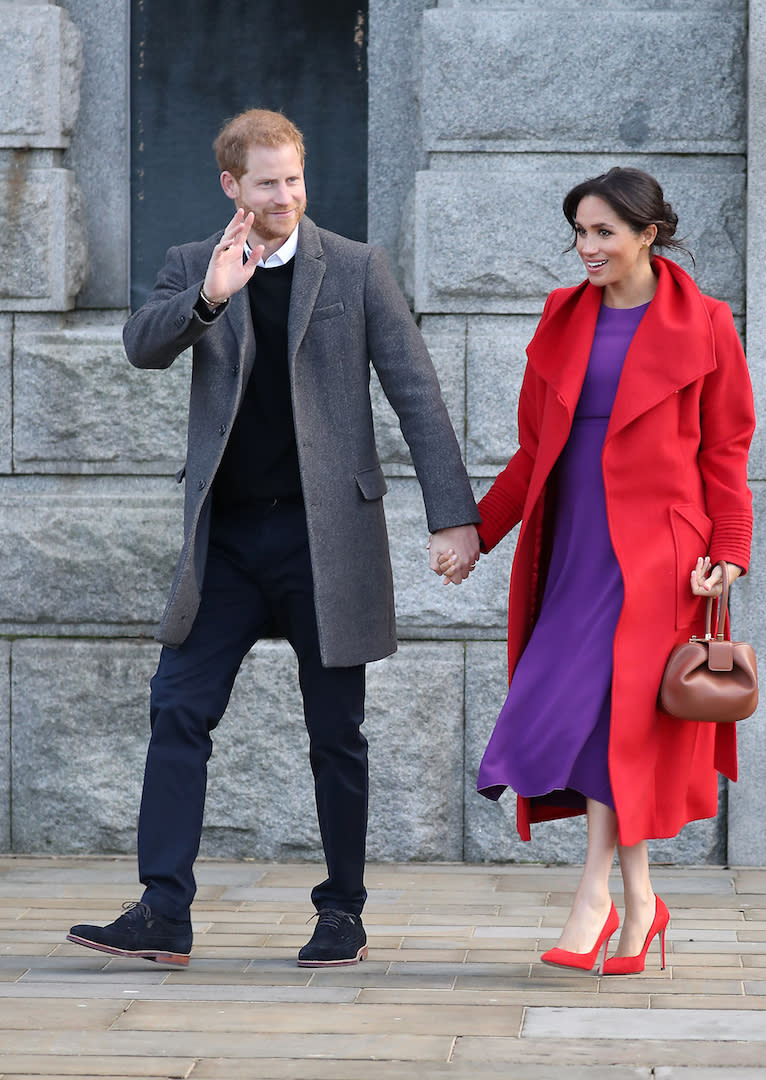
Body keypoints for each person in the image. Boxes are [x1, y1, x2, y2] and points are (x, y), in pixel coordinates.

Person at [66, 109, 480, 968]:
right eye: (267, 182)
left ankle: (342, 914)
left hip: (325, 539)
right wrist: (212, 295)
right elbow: (142, 346)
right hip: (226, 544)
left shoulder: (359, 268)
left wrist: (453, 515)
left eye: (293, 179)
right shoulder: (193, 266)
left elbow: (417, 392)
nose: (285, 196)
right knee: (178, 707)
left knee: (336, 729)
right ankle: (163, 913)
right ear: (232, 187)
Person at [444, 167, 754, 975]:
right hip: (573, 546)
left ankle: (593, 898)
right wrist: (479, 531)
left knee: (616, 718)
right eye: (578, 232)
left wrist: (730, 549)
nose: (586, 248)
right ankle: (641, 899)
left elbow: (726, 451)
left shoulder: (710, 325)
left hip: (661, 556)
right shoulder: (560, 317)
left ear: (648, 234)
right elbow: (531, 452)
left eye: (603, 233)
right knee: (587, 715)